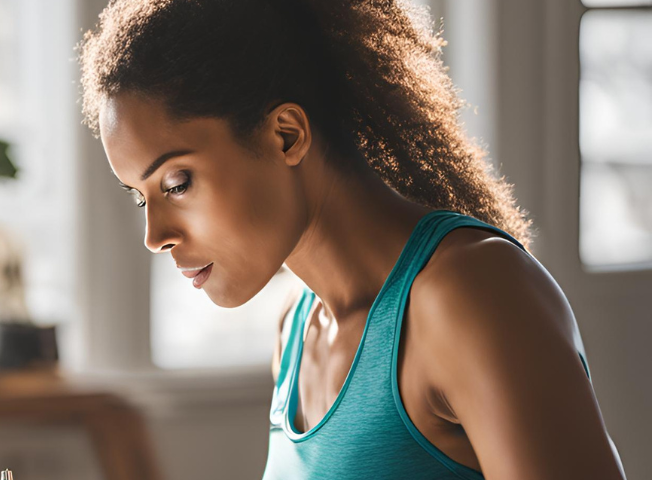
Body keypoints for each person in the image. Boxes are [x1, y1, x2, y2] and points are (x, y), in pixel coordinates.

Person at [76, 0, 627, 478]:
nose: (154, 236)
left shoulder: (469, 295)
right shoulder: (297, 333)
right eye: (139, 195)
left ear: (285, 136)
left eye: (177, 183)